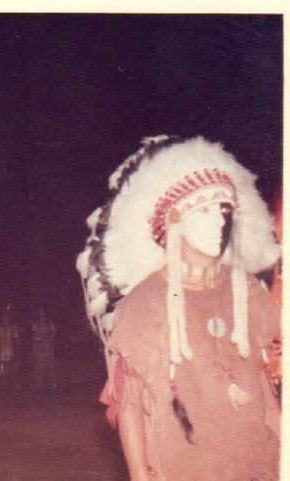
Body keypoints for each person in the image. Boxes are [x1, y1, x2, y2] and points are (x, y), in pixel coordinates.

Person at [76, 136, 281, 480]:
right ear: (175, 222)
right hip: (180, 463)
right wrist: (139, 472)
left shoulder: (249, 292)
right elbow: (129, 404)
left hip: (256, 463)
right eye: (203, 211)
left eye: (224, 211)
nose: (218, 223)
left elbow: (269, 392)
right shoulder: (145, 302)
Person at [31, 307, 56, 391]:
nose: (41, 314)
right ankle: (39, 386)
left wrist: (45, 337)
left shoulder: (49, 323)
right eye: (40, 312)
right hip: (39, 348)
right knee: (38, 367)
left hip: (48, 348)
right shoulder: (36, 324)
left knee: (50, 367)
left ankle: (51, 385)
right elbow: (34, 337)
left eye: (43, 312)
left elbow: (53, 334)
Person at [0, 308, 18, 391]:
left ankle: (11, 388)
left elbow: (16, 340)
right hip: (1, 352)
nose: (5, 318)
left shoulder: (13, 328)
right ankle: (3, 388)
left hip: (11, 352)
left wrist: (16, 351)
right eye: (4, 317)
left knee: (12, 370)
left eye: (7, 316)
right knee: (2, 371)